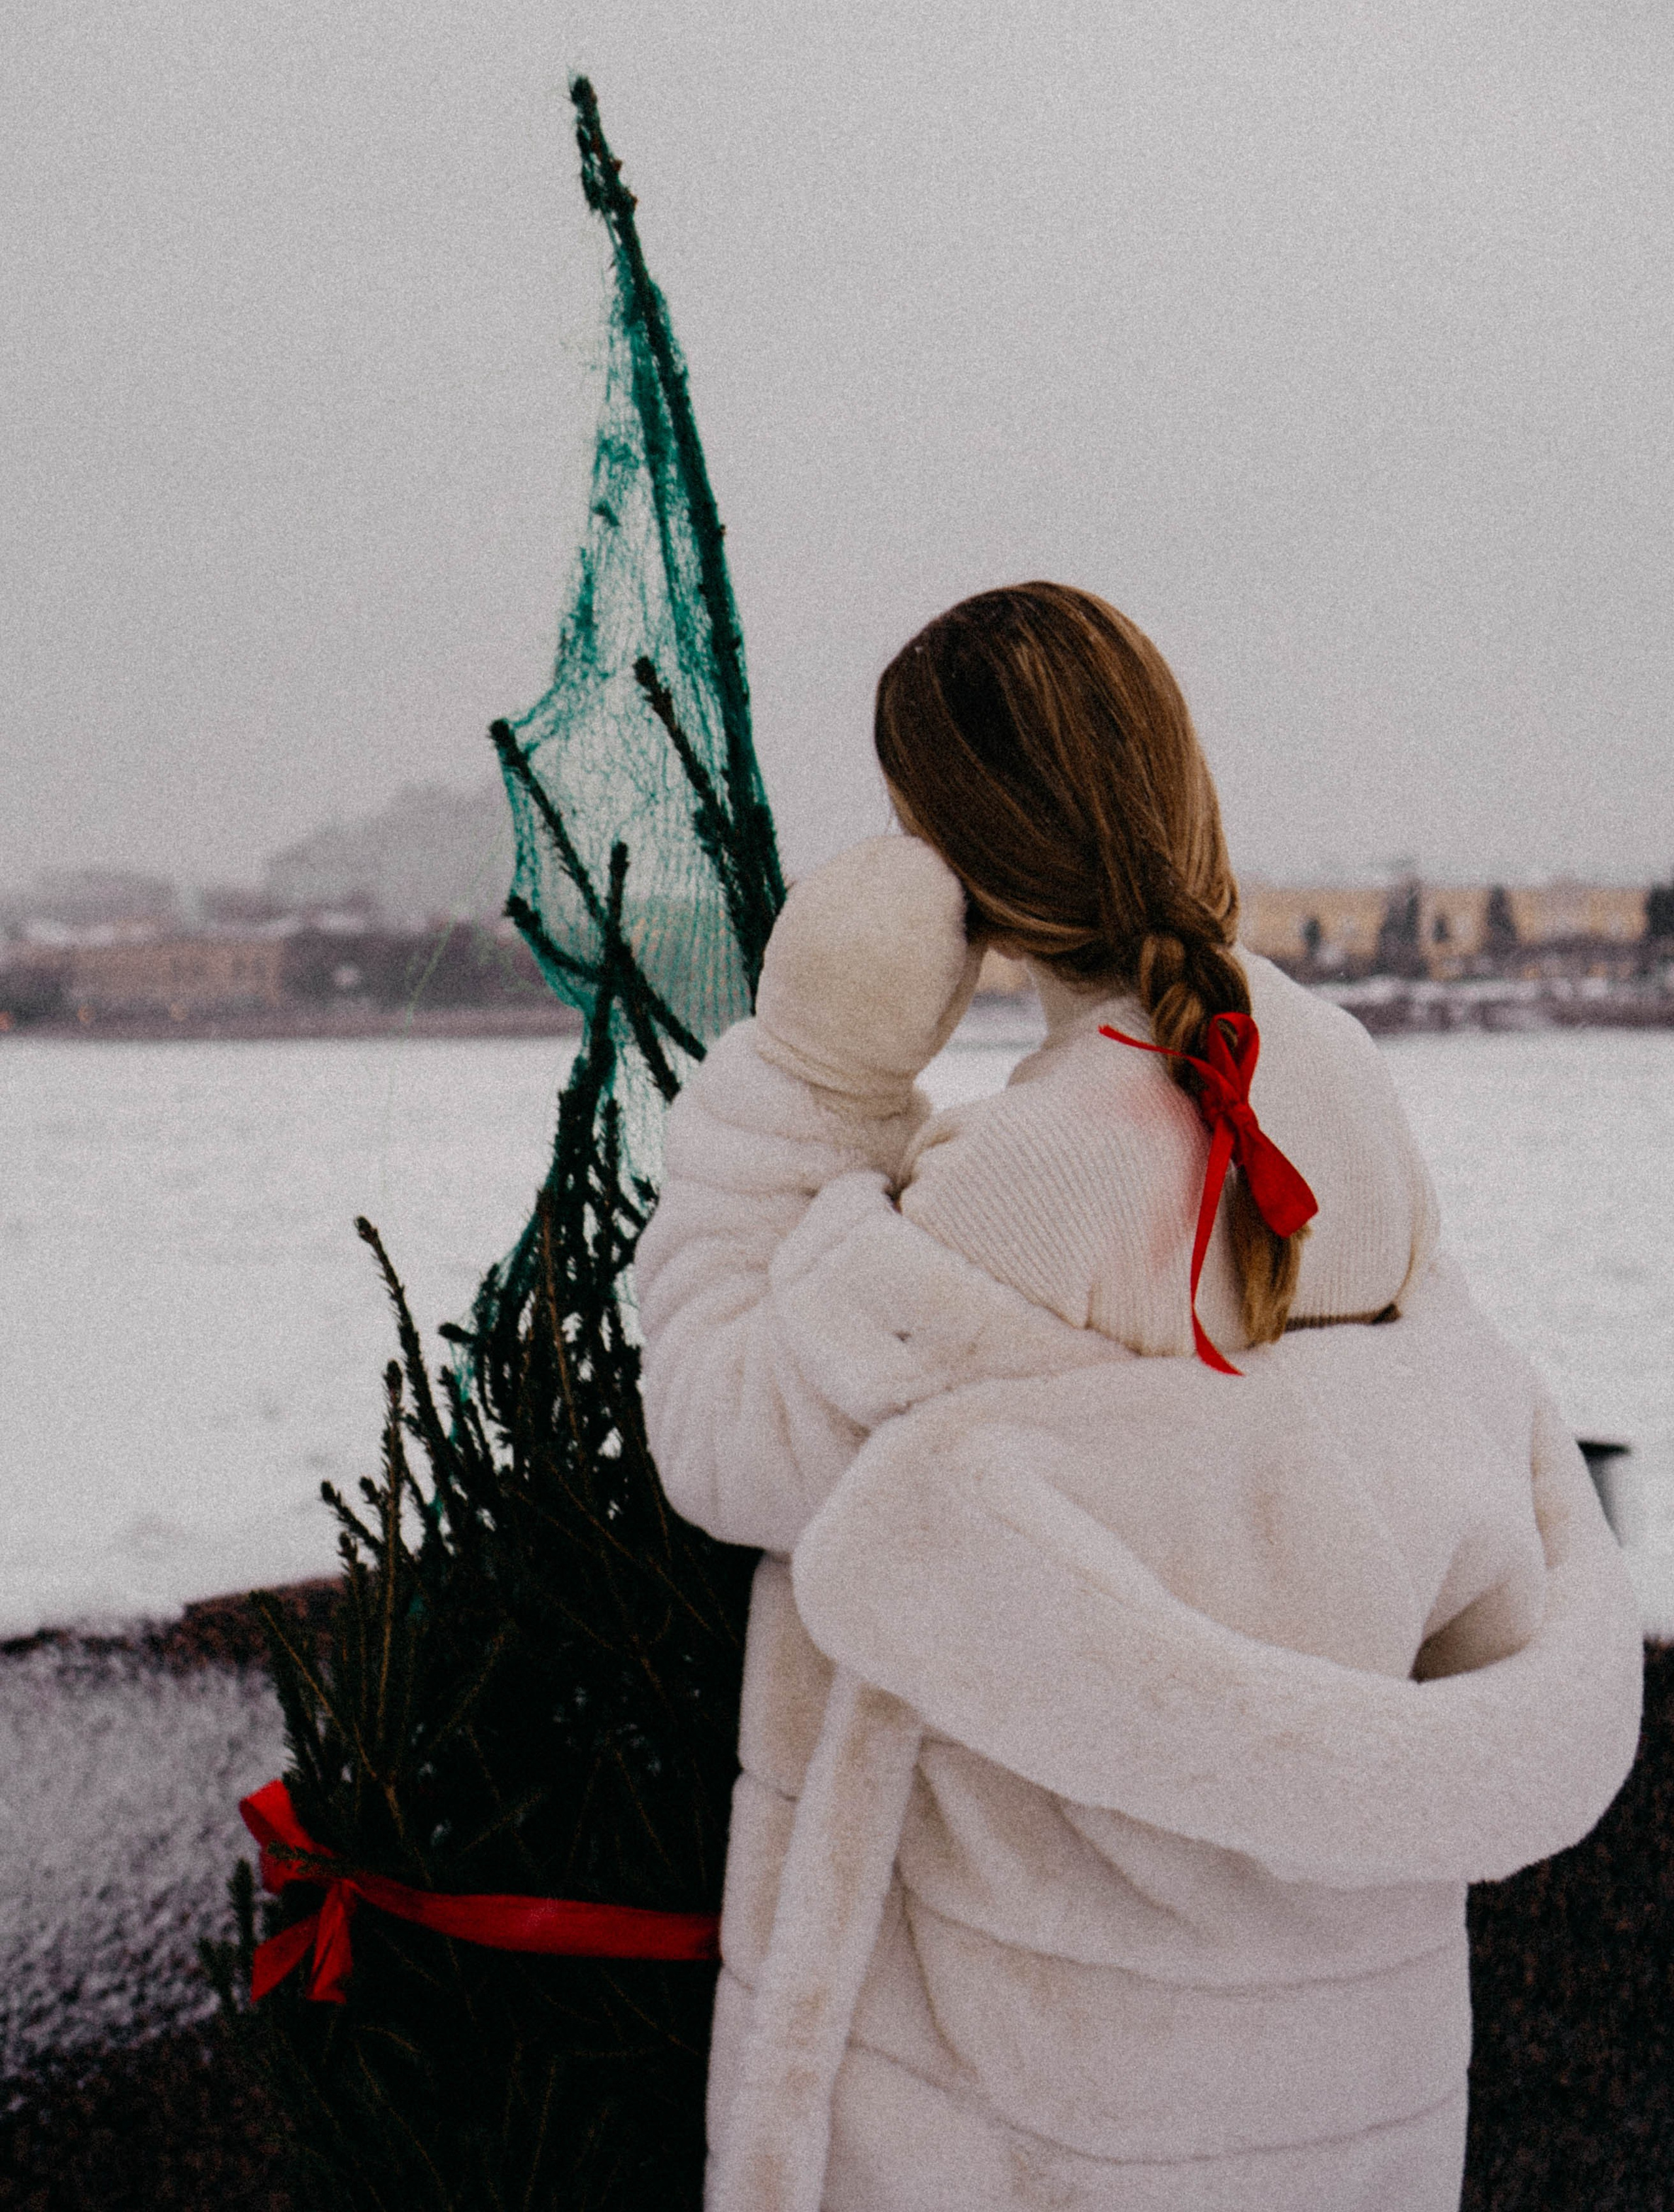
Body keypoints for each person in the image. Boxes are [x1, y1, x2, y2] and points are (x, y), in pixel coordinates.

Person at [637, 582, 1641, 2211]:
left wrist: (812, 1080)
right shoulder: (1336, 1091)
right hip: (1339, 2099)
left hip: (1038, 2114)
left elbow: (724, 1432)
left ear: (941, 869)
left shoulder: (1029, 1190)